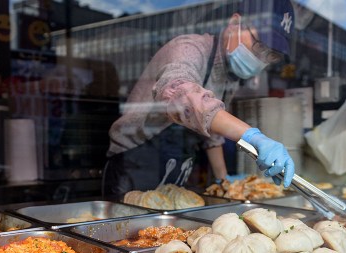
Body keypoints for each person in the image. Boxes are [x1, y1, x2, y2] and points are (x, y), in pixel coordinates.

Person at [103, 0, 296, 196]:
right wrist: (252, 136)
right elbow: (183, 97)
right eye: (260, 46)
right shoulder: (189, 48)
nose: (262, 58)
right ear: (235, 23)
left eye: (271, 55)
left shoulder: (230, 75)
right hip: (134, 162)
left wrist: (223, 181)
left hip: (174, 166)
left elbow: (212, 133)